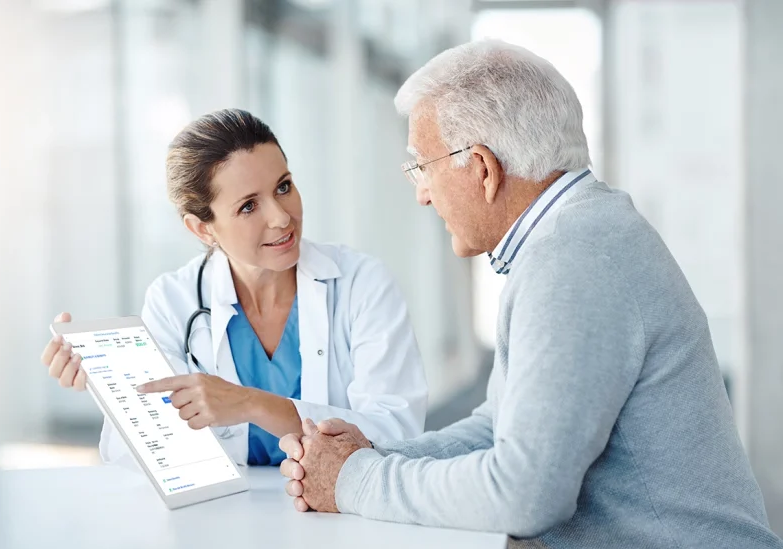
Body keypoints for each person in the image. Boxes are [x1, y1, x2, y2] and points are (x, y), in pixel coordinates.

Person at [278, 40, 783, 549]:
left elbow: (524, 494)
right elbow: (500, 425)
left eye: (422, 167)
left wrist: (353, 480)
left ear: (481, 167)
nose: (422, 193)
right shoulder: (580, 233)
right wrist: (380, 456)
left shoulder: (574, 260)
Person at [39, 108, 428, 467]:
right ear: (202, 228)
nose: (281, 218)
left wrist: (251, 404)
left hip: (342, 517)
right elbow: (139, 457)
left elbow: (398, 434)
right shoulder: (174, 302)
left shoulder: (362, 284)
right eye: (248, 206)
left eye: (283, 187)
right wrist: (116, 389)